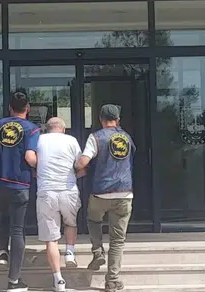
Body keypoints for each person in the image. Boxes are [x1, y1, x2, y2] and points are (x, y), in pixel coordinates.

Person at [75, 104, 135, 292]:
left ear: (100, 119)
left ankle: (97, 251)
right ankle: (112, 280)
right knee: (117, 240)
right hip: (124, 193)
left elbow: (83, 161)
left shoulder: (96, 137)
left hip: (100, 192)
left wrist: (76, 166)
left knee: (93, 220)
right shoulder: (127, 137)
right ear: (118, 120)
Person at [0, 91, 40, 292]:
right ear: (28, 108)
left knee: (2, 217)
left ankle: (2, 253)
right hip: (19, 183)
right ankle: (14, 281)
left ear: (10, 107)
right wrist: (40, 167)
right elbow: (30, 157)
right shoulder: (31, 129)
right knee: (17, 229)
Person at [35, 117, 85, 292]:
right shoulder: (71, 140)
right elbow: (81, 166)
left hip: (46, 192)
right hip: (68, 190)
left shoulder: (39, 140)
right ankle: (70, 252)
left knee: (51, 239)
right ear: (63, 129)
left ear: (47, 128)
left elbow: (32, 162)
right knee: (70, 223)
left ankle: (58, 280)